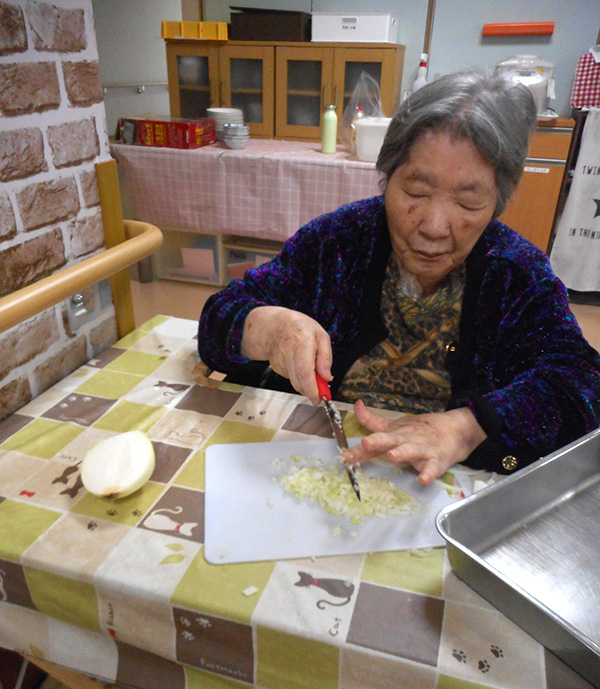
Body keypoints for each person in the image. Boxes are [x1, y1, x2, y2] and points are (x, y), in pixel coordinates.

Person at [198, 68, 600, 483]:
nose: (434, 226)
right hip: (317, 466)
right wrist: (269, 328)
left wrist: (467, 426)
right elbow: (217, 321)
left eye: (468, 201)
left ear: (498, 200)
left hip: (450, 488)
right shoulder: (337, 242)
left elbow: (582, 384)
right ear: (387, 178)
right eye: (416, 192)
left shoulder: (516, 273)